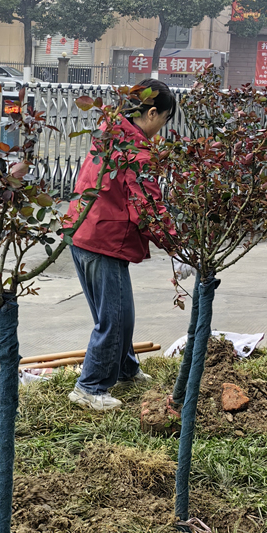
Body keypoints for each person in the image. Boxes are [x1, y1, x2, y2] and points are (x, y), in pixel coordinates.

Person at [63, 78, 176, 411]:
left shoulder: (111, 129)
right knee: (112, 318)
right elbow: (148, 207)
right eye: (164, 120)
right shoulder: (136, 150)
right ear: (152, 112)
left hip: (86, 231)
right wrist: (176, 247)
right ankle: (90, 387)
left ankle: (125, 368)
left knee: (120, 313)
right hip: (102, 239)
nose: (162, 129)